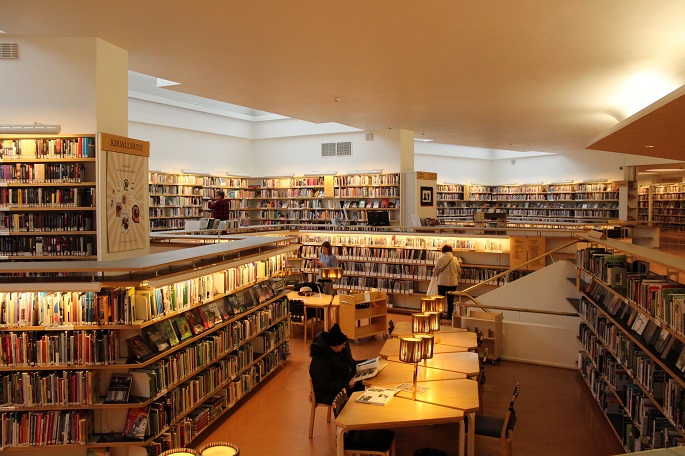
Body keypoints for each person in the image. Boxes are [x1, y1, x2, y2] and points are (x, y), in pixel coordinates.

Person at [309, 323, 365, 404]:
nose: (344, 347)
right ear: (334, 345)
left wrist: (367, 363)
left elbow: (350, 363)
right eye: (342, 345)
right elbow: (325, 384)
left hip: (341, 382)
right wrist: (347, 385)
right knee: (353, 402)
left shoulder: (337, 351)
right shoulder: (321, 359)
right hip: (327, 393)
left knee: (363, 385)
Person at [433, 244, 461, 319]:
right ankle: (449, 318)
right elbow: (459, 271)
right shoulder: (455, 259)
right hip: (453, 283)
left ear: (443, 250)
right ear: (451, 250)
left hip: (442, 283)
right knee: (451, 301)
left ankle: (439, 318)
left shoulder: (440, 259)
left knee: (440, 301)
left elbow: (435, 272)